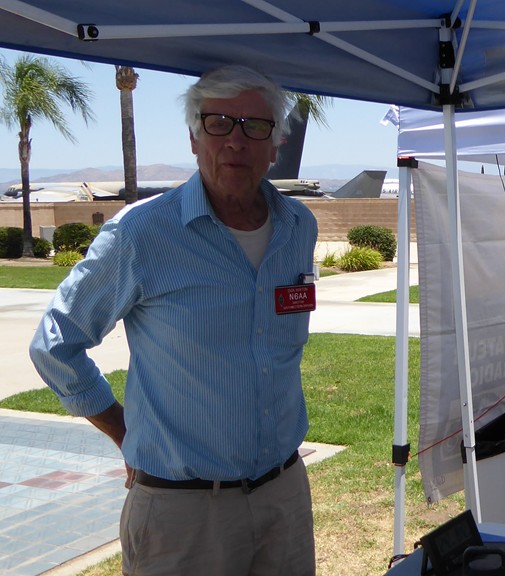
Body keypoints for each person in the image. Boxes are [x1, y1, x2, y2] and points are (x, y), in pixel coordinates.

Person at [29, 65, 318, 575]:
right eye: (219, 123)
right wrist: (124, 431)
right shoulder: (142, 234)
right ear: (192, 136)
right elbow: (56, 343)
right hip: (183, 514)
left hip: (285, 497)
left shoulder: (299, 226)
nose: (236, 141)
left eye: (255, 126)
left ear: (275, 143)